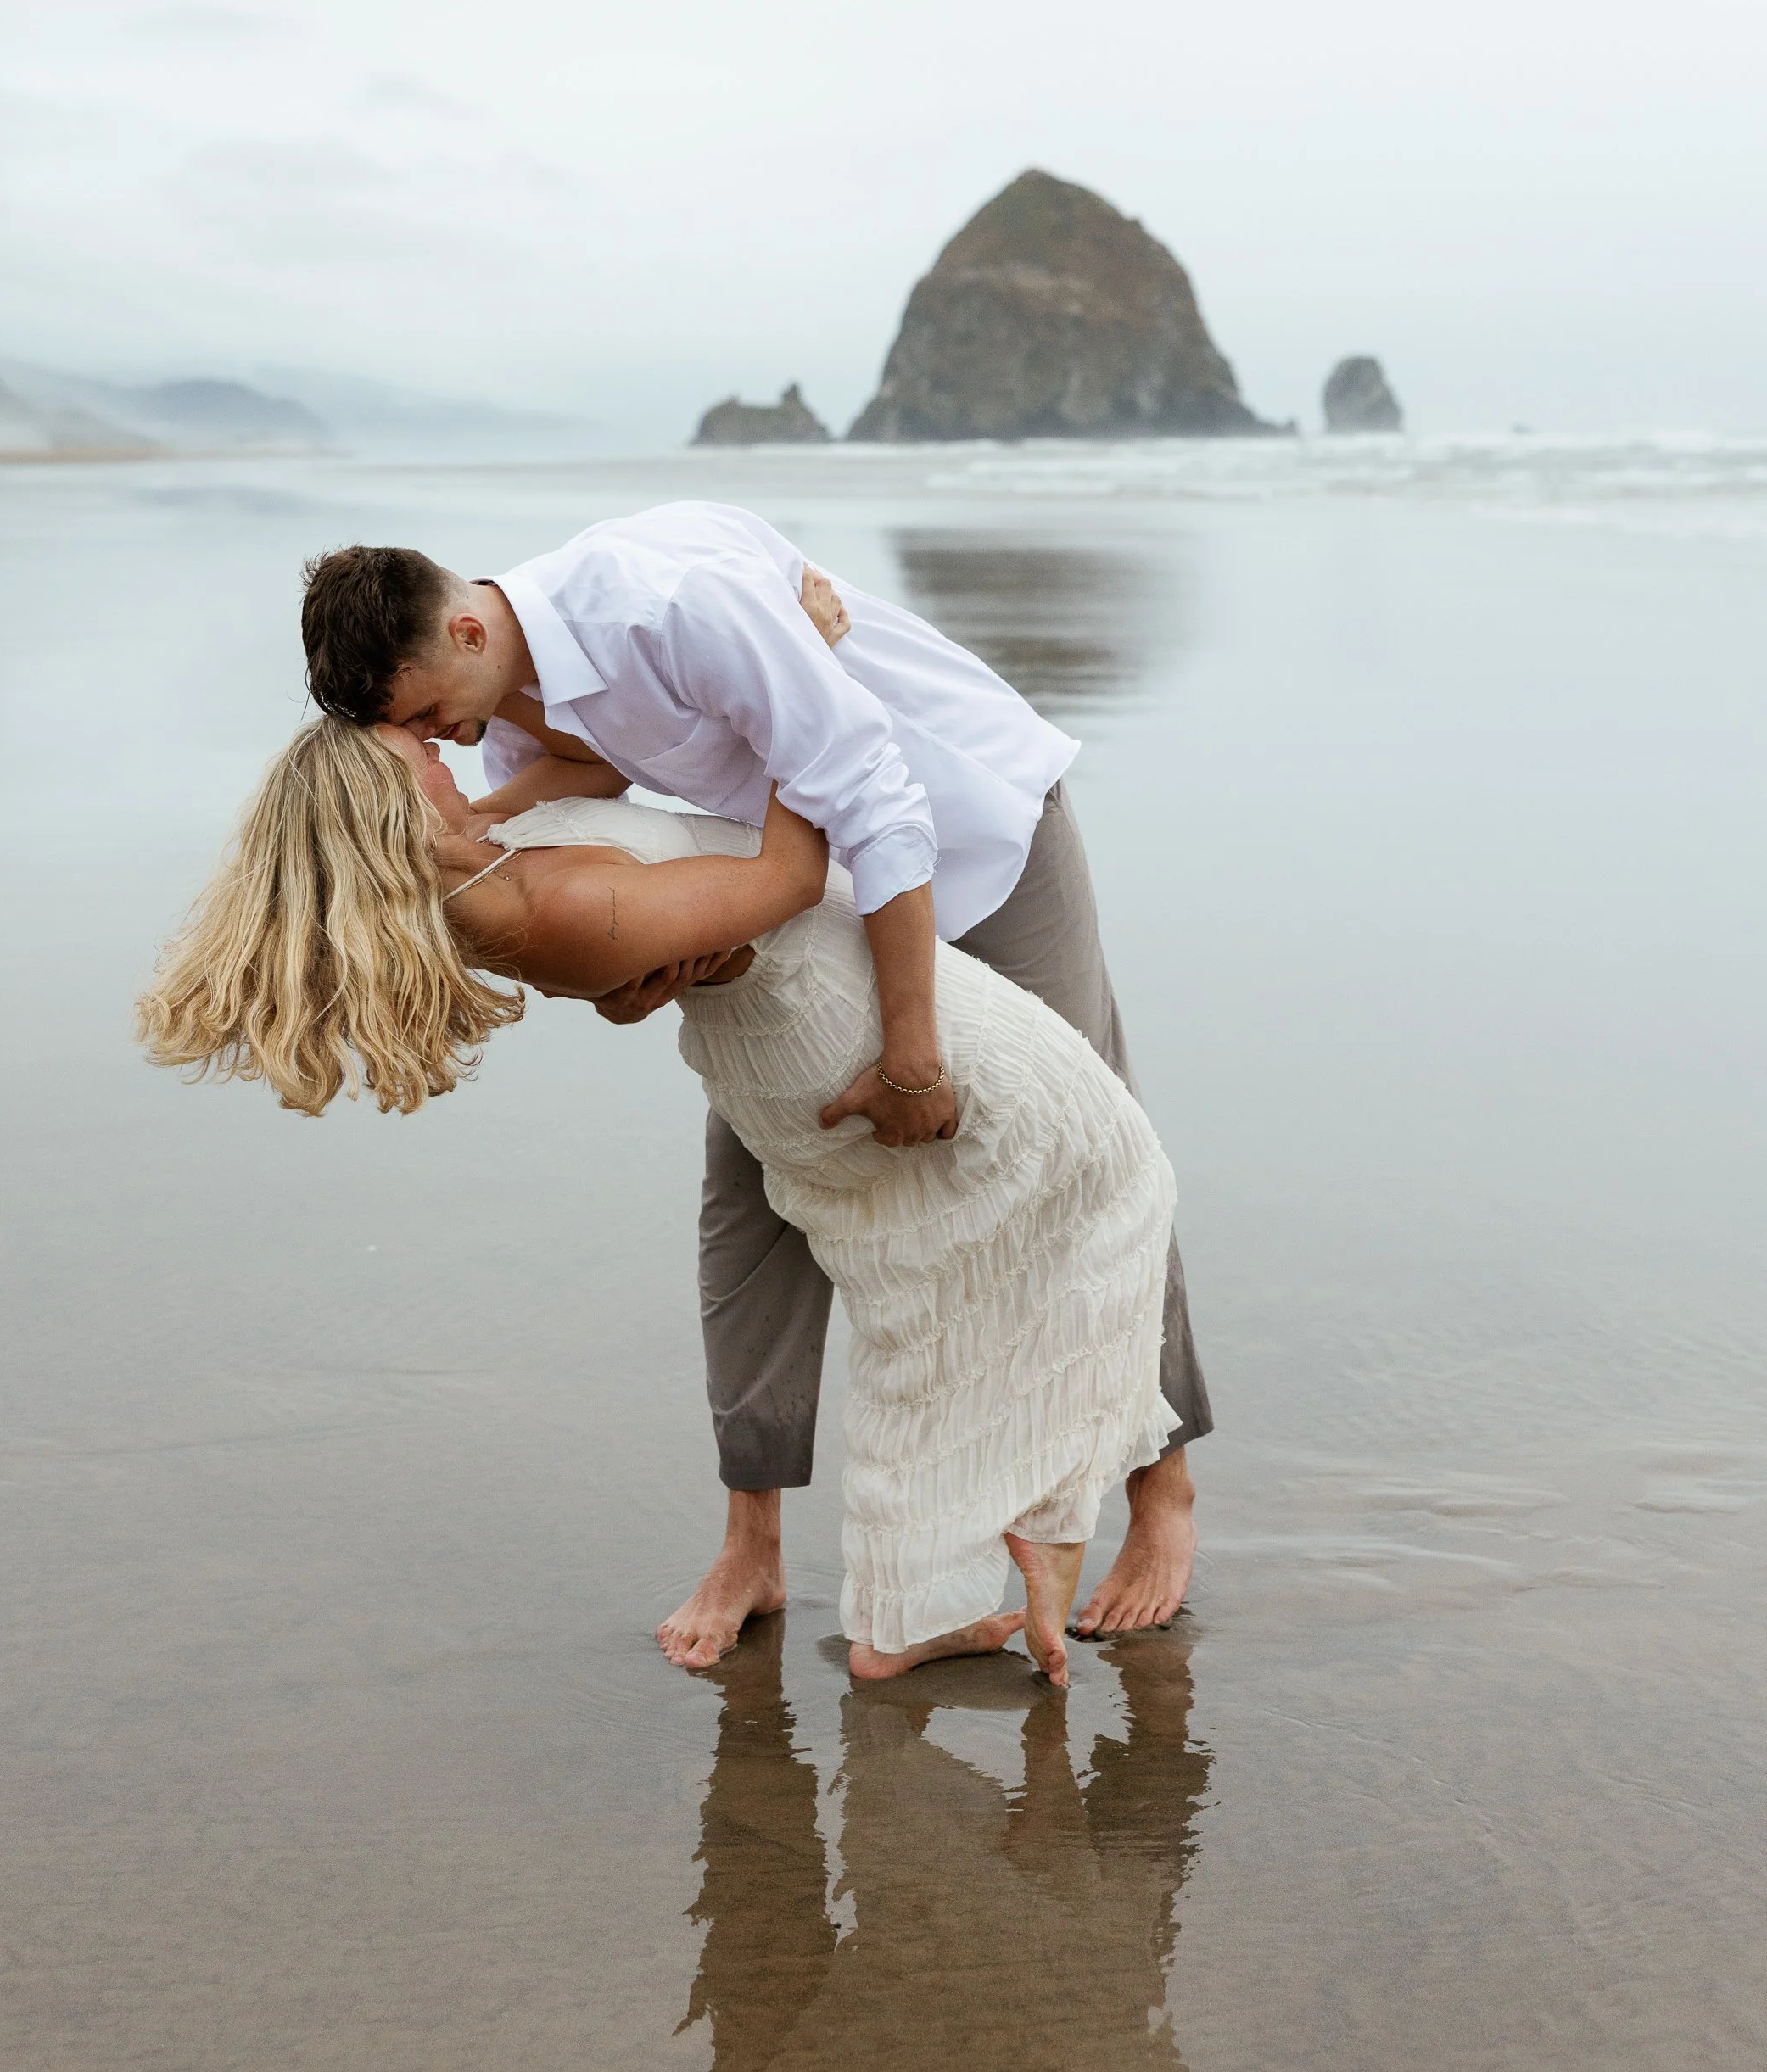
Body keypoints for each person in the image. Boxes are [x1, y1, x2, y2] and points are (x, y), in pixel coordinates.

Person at [294, 504, 1212, 1663]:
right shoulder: (506, 728)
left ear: (468, 631)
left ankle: (1162, 1489)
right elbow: (633, 882)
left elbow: (876, 798)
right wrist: (636, 980)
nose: (442, 744)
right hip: (817, 908)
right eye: (412, 734)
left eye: (428, 714)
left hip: (975, 838)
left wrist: (913, 1057)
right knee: (752, 1199)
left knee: (1092, 1156)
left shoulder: (666, 601)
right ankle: (753, 1541)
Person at [138, 718, 1179, 1682]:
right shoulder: (532, 898)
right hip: (826, 1011)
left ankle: (905, 1620)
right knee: (1111, 1173)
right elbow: (785, 872)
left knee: (922, 1286)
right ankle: (1042, 1533)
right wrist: (795, 715)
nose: (429, 741)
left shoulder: (472, 854)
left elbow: (594, 775)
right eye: (407, 748)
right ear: (384, 805)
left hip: (785, 1034)